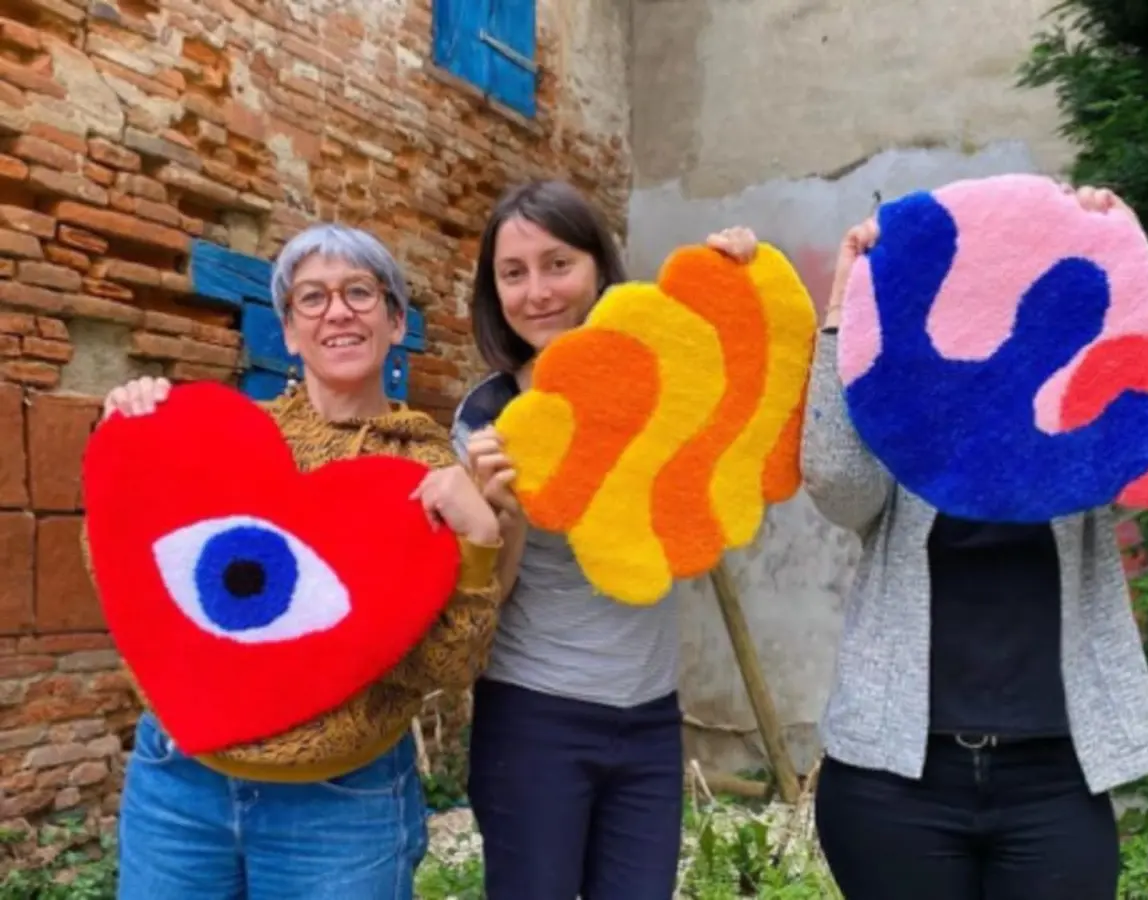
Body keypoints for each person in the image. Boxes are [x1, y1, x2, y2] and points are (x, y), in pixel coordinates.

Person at [802, 185, 1148, 900]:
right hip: (896, 782)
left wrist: (1142, 268)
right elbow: (836, 483)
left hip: (1053, 779)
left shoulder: (1079, 436)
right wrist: (842, 318)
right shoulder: (912, 412)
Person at [89, 223, 504, 900]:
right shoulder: (212, 443)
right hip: (179, 786)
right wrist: (126, 444)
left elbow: (447, 668)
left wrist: (480, 538)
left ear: (396, 321)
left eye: (360, 293)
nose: (336, 311)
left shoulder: (428, 477)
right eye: (310, 299)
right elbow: (134, 581)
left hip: (340, 808)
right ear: (286, 331)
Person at [451, 178, 758, 900]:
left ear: (598, 267)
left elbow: (738, 388)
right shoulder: (491, 418)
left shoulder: (661, 380)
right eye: (513, 274)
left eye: (558, 264)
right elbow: (482, 602)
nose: (537, 293)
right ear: (494, 292)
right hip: (535, 721)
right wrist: (503, 515)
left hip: (651, 719)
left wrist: (734, 275)